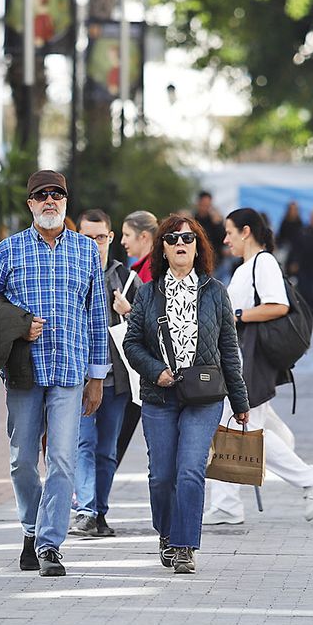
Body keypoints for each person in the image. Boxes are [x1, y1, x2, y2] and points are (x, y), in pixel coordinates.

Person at [0, 170, 110, 577]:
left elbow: (96, 315)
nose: (49, 201)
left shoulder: (87, 251)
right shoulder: (8, 251)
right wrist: (19, 325)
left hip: (70, 370)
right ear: (31, 204)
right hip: (23, 372)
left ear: (65, 203)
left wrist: (97, 377)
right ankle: (31, 529)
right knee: (21, 461)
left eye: (57, 195)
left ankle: (50, 545)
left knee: (63, 460)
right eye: (41, 196)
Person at [122, 215, 250, 575]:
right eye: (173, 238)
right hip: (159, 397)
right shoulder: (148, 293)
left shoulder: (215, 292)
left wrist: (239, 402)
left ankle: (184, 545)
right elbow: (132, 344)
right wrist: (155, 370)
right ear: (162, 247)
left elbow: (229, 350)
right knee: (162, 476)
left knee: (191, 469)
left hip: (204, 396)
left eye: (189, 239)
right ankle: (167, 533)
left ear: (198, 248)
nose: (181, 244)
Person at [202, 210, 313, 528]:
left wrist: (238, 316)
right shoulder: (247, 267)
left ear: (246, 232)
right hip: (242, 360)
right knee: (233, 428)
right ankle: (226, 504)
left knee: (244, 431)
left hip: (252, 361)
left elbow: (278, 305)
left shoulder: (263, 263)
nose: (226, 239)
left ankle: (311, 480)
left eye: (230, 232)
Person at [70, 210, 131, 539]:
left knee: (107, 449)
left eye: (101, 237)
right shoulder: (71, 273)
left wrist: (128, 310)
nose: (94, 244)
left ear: (111, 237)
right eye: (87, 237)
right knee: (84, 443)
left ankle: (100, 512)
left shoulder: (126, 277)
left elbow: (144, 327)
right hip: (79, 376)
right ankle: (86, 510)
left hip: (116, 378)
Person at [113, 210, 160, 463]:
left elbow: (151, 320)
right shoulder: (140, 270)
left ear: (144, 236)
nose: (122, 241)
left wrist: (128, 311)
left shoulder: (148, 273)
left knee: (119, 435)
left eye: (126, 234)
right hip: (145, 365)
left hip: (143, 366)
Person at [194, 191, 230, 276]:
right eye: (203, 204)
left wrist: (218, 224)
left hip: (216, 261)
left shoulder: (214, 220)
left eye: (208, 204)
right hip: (197, 260)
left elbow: (223, 239)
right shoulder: (193, 220)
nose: (205, 207)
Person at [276, 200, 304, 273]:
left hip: (293, 256)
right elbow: (279, 238)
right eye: (291, 209)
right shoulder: (284, 222)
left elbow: (299, 245)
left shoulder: (299, 225)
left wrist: (296, 261)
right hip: (283, 252)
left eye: (294, 209)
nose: (292, 211)